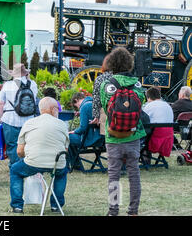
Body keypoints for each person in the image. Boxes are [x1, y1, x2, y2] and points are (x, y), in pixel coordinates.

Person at [100, 47, 146, 216]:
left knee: (114, 175)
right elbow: (141, 103)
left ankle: (113, 210)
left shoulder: (107, 84)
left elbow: (106, 107)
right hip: (134, 135)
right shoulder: (137, 84)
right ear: (129, 63)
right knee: (134, 174)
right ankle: (133, 210)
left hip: (113, 136)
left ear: (112, 63)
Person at [9, 97, 69, 214]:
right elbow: (65, 150)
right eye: (57, 109)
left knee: (15, 170)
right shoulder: (62, 125)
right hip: (57, 164)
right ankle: (56, 205)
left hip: (33, 163)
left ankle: (17, 206)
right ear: (52, 109)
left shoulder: (29, 123)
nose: (58, 111)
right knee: (61, 173)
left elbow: (19, 152)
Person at [0, 63, 38, 168]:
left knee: (12, 144)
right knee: (27, 144)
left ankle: (15, 166)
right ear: (25, 73)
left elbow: (1, 102)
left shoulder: (8, 85)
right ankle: (26, 165)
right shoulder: (32, 84)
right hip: (28, 119)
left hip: (10, 118)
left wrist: (1, 117)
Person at [68, 92, 103, 169]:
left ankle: (75, 164)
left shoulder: (84, 106)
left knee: (67, 137)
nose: (78, 108)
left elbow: (83, 128)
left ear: (76, 100)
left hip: (92, 139)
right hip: (102, 138)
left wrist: (74, 131)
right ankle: (76, 163)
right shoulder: (95, 103)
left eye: (76, 106)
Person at [142, 86, 174, 158]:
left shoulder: (149, 106)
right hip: (168, 137)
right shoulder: (167, 105)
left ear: (148, 97)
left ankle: (145, 158)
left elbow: (143, 120)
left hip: (155, 136)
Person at [90, 54, 113, 135]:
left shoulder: (100, 79)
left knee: (108, 141)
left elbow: (96, 99)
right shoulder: (123, 78)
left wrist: (96, 116)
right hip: (123, 113)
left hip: (106, 113)